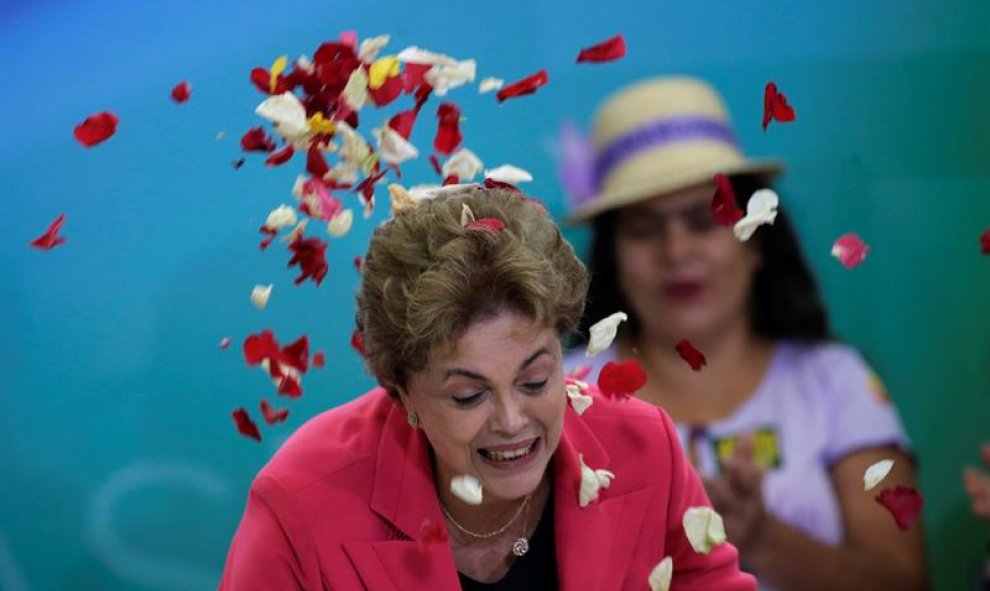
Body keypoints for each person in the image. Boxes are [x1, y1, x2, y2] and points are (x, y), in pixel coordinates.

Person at [218, 187, 757, 590]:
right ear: (400, 393)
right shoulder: (302, 500)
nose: (512, 419)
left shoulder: (644, 447)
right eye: (468, 395)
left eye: (535, 379)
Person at [560, 76, 928, 590]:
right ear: (613, 259)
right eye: (644, 229)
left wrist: (761, 538)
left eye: (704, 220)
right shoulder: (559, 393)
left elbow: (906, 581)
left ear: (755, 241)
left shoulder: (836, 382)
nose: (676, 251)